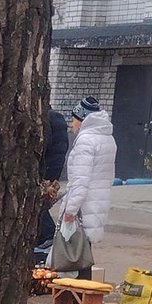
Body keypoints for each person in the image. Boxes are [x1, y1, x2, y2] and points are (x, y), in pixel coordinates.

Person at [59, 96, 116, 280]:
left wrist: (71, 209)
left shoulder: (86, 141)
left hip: (84, 203)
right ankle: (83, 292)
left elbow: (80, 180)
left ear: (82, 119)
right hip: (98, 201)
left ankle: (75, 293)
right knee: (85, 248)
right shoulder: (107, 138)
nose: (72, 123)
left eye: (74, 118)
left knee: (75, 249)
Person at [38, 106, 70, 249]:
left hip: (47, 166)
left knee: (38, 203)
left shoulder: (48, 119)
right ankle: (45, 235)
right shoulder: (58, 119)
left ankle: (48, 234)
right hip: (55, 166)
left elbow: (45, 143)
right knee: (41, 201)